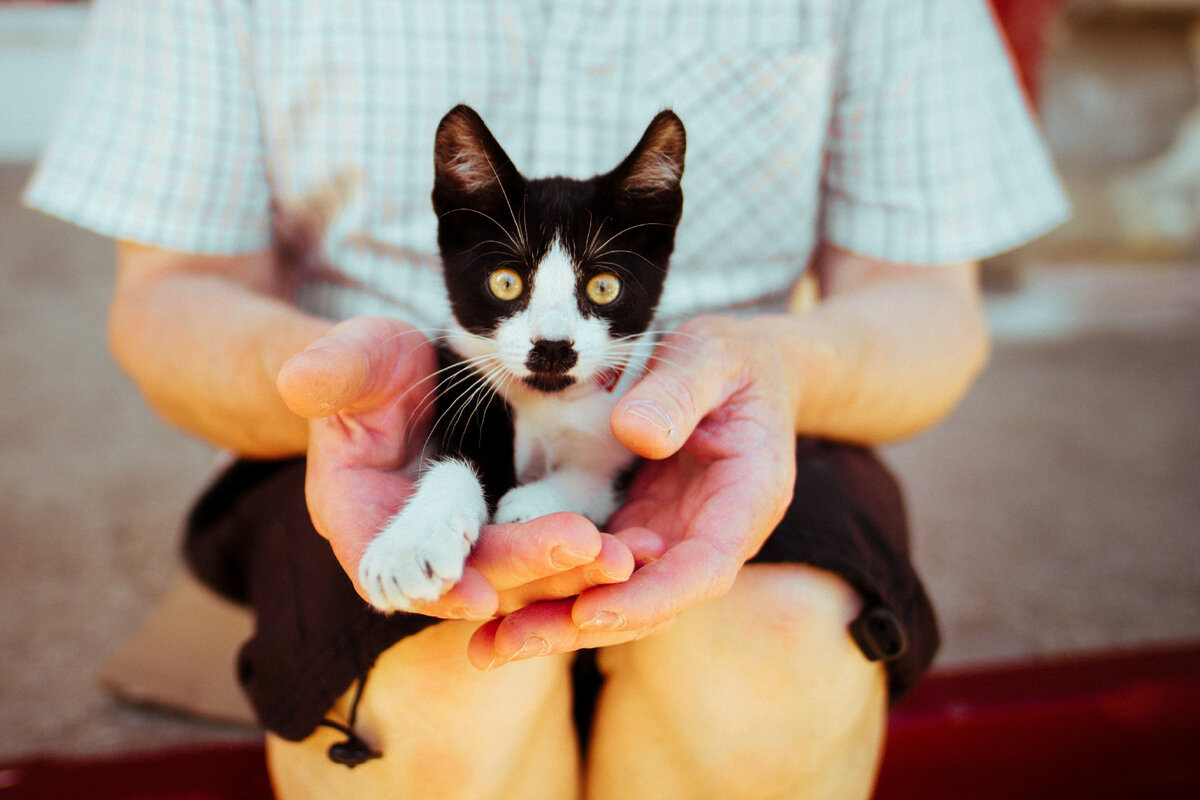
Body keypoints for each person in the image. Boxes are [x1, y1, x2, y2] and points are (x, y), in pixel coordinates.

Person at [27, 1, 1067, 797]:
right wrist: (339, 386)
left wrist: (763, 367)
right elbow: (171, 295)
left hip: (724, 409)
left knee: (781, 655)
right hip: (376, 421)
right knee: (429, 698)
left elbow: (924, 310)